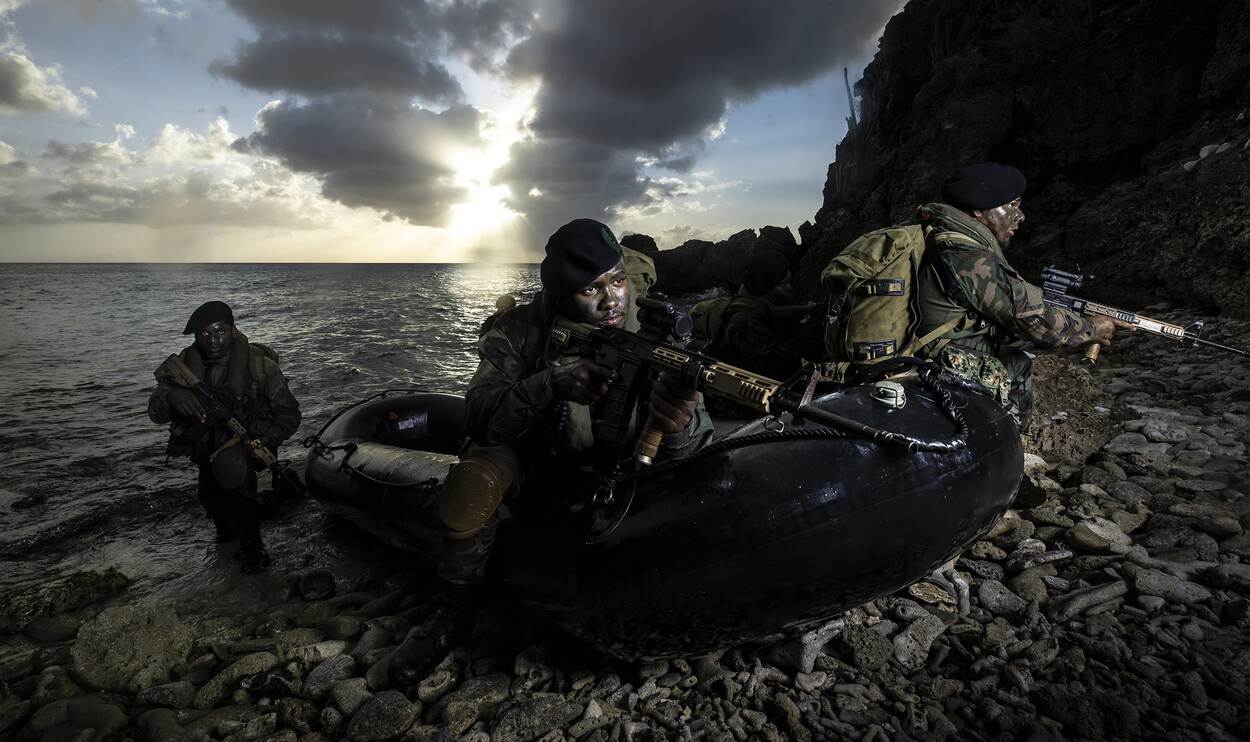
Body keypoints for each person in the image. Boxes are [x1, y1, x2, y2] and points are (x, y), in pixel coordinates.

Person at [388, 218, 714, 684]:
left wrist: (678, 425)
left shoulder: (657, 335)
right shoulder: (520, 332)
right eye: (591, 290)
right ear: (563, 295)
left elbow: (702, 456)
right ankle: (455, 610)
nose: (612, 301)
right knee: (472, 481)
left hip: (622, 464)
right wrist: (548, 384)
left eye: (619, 280)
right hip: (535, 456)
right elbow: (480, 415)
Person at [913, 162, 1121, 426]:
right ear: (979, 210)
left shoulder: (936, 237)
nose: (1020, 215)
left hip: (919, 351)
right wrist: (1091, 328)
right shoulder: (970, 257)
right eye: (1011, 205)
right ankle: (1004, 443)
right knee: (1017, 363)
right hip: (932, 365)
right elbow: (1036, 322)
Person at [147, 301, 301, 572]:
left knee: (235, 477)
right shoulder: (183, 367)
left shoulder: (261, 367)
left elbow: (290, 415)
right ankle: (258, 513)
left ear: (233, 330)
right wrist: (171, 394)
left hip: (250, 445)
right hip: (207, 448)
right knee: (213, 504)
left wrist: (267, 439)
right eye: (204, 334)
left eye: (220, 331)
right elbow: (156, 415)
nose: (213, 340)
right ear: (195, 337)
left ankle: (254, 547)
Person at [691, 249, 821, 382]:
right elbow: (772, 369)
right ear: (765, 288)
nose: (790, 288)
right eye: (783, 284)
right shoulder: (744, 321)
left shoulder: (760, 308)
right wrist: (808, 330)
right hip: (744, 397)